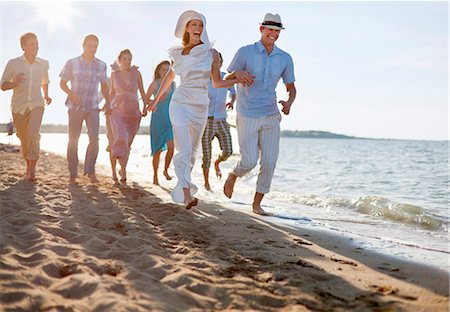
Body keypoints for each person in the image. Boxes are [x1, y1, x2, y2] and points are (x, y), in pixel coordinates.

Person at [147, 10, 243, 209]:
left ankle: (183, 189)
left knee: (191, 154)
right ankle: (187, 193)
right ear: (187, 29)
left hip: (200, 106)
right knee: (184, 149)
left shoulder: (211, 54)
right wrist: (156, 100)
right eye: (194, 25)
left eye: (200, 25)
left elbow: (217, 83)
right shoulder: (178, 52)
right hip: (179, 103)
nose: (198, 28)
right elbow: (170, 78)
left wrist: (237, 79)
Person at [223, 13, 297, 215]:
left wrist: (289, 103)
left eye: (277, 31)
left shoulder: (285, 58)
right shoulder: (245, 52)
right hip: (246, 114)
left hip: (271, 114)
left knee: (270, 162)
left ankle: (256, 204)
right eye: (270, 30)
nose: (273, 34)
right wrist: (238, 74)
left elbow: (291, 88)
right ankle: (233, 175)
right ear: (261, 29)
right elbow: (226, 79)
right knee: (249, 161)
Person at [60, 34, 110, 184]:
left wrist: (109, 102)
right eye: (90, 45)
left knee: (94, 139)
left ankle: (90, 171)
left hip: (93, 107)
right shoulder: (72, 63)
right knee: (73, 140)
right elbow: (62, 83)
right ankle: (72, 174)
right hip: (75, 108)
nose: (92, 49)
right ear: (83, 46)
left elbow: (105, 86)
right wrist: (71, 94)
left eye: (95, 46)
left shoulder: (101, 65)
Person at [1, 32, 52, 182]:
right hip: (18, 106)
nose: (35, 46)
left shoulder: (43, 63)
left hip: (37, 103)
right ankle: (28, 163)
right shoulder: (13, 63)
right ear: (23, 46)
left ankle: (32, 169)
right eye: (31, 44)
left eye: (36, 43)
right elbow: (2, 85)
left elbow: (45, 80)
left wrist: (46, 95)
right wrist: (15, 83)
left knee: (34, 134)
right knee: (23, 137)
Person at [104, 49, 147, 183]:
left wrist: (145, 106)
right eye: (124, 59)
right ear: (119, 60)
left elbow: (142, 91)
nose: (127, 62)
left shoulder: (137, 74)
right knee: (120, 138)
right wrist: (107, 106)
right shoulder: (114, 75)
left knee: (126, 143)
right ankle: (113, 171)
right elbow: (111, 93)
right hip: (117, 112)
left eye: (129, 59)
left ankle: (122, 169)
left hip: (133, 113)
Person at [201, 53, 236, 191]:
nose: (217, 64)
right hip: (207, 121)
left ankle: (218, 162)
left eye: (219, 62)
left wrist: (231, 101)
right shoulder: (203, 79)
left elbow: (233, 92)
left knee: (228, 151)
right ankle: (206, 182)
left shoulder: (226, 77)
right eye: (214, 62)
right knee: (206, 155)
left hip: (222, 120)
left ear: (221, 63)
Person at [146, 60, 175, 186]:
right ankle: (155, 175)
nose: (165, 72)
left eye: (168, 70)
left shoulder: (173, 84)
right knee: (157, 150)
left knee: (171, 147)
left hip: (170, 119)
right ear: (159, 71)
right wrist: (155, 101)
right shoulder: (155, 84)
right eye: (163, 69)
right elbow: (146, 99)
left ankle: (166, 170)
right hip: (158, 119)